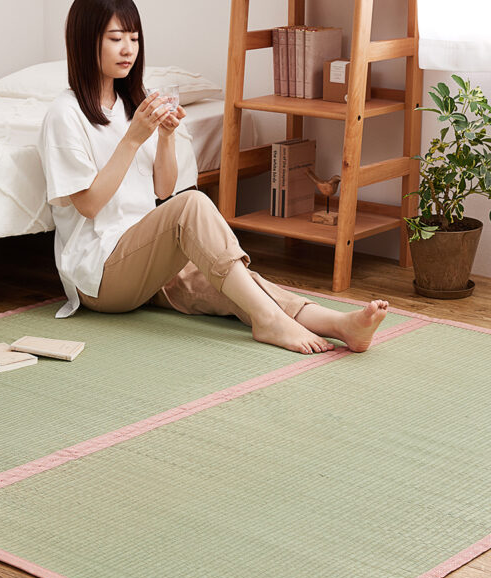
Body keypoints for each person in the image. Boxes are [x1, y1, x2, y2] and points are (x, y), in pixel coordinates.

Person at [38, 0, 389, 355]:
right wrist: (133, 139)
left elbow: (162, 189)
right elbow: (89, 205)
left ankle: (338, 325)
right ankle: (269, 322)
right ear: (86, 42)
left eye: (134, 37)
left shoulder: (135, 103)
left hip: (146, 258)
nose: (128, 48)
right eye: (116, 38)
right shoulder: (65, 115)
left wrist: (165, 136)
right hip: (99, 275)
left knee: (234, 284)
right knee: (191, 205)